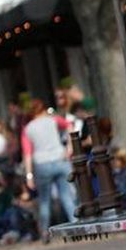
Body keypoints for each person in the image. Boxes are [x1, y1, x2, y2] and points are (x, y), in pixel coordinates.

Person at [20, 99, 76, 241]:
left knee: (45, 200)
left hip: (42, 164)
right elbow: (70, 125)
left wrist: (29, 175)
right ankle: (76, 225)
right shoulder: (53, 120)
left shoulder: (28, 129)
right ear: (43, 109)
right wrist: (70, 147)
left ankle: (45, 232)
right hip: (60, 159)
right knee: (67, 196)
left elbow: (27, 154)